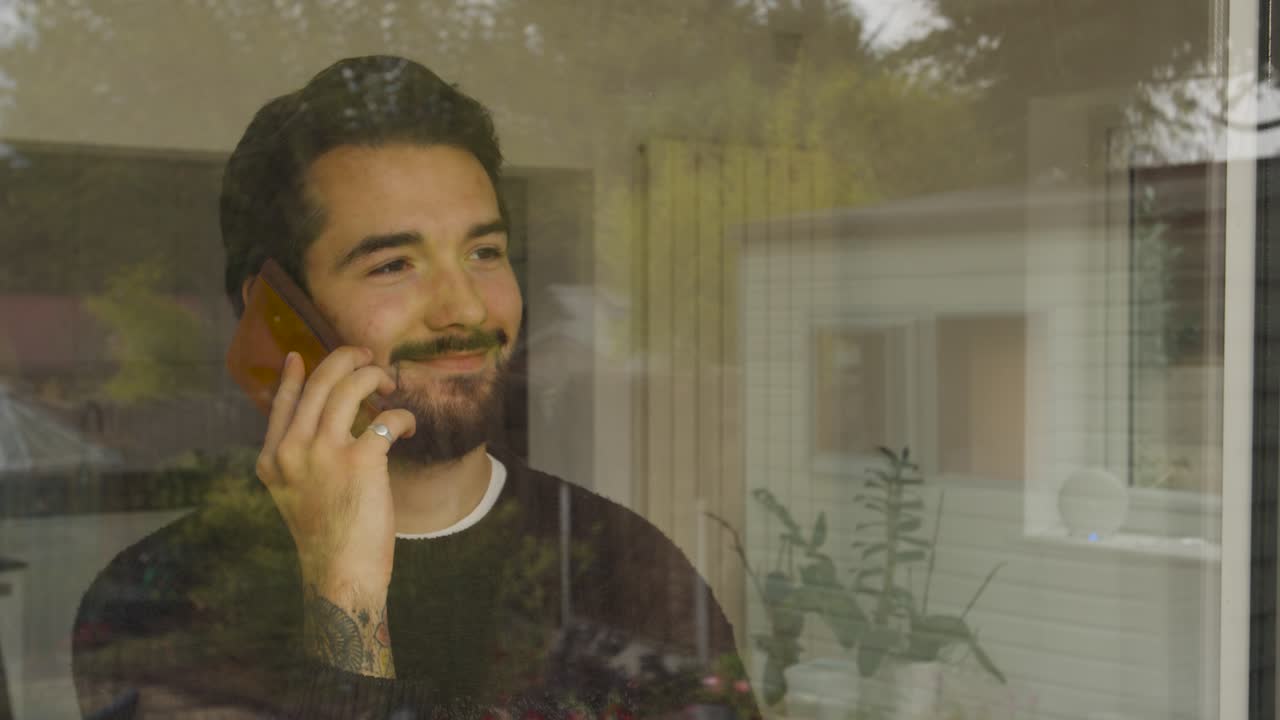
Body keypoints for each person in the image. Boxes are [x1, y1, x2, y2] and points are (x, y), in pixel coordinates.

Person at [72, 55, 758, 719]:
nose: (465, 309)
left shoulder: (630, 566)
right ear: (276, 312)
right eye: (394, 264)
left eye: (483, 253)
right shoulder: (161, 601)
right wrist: (343, 592)